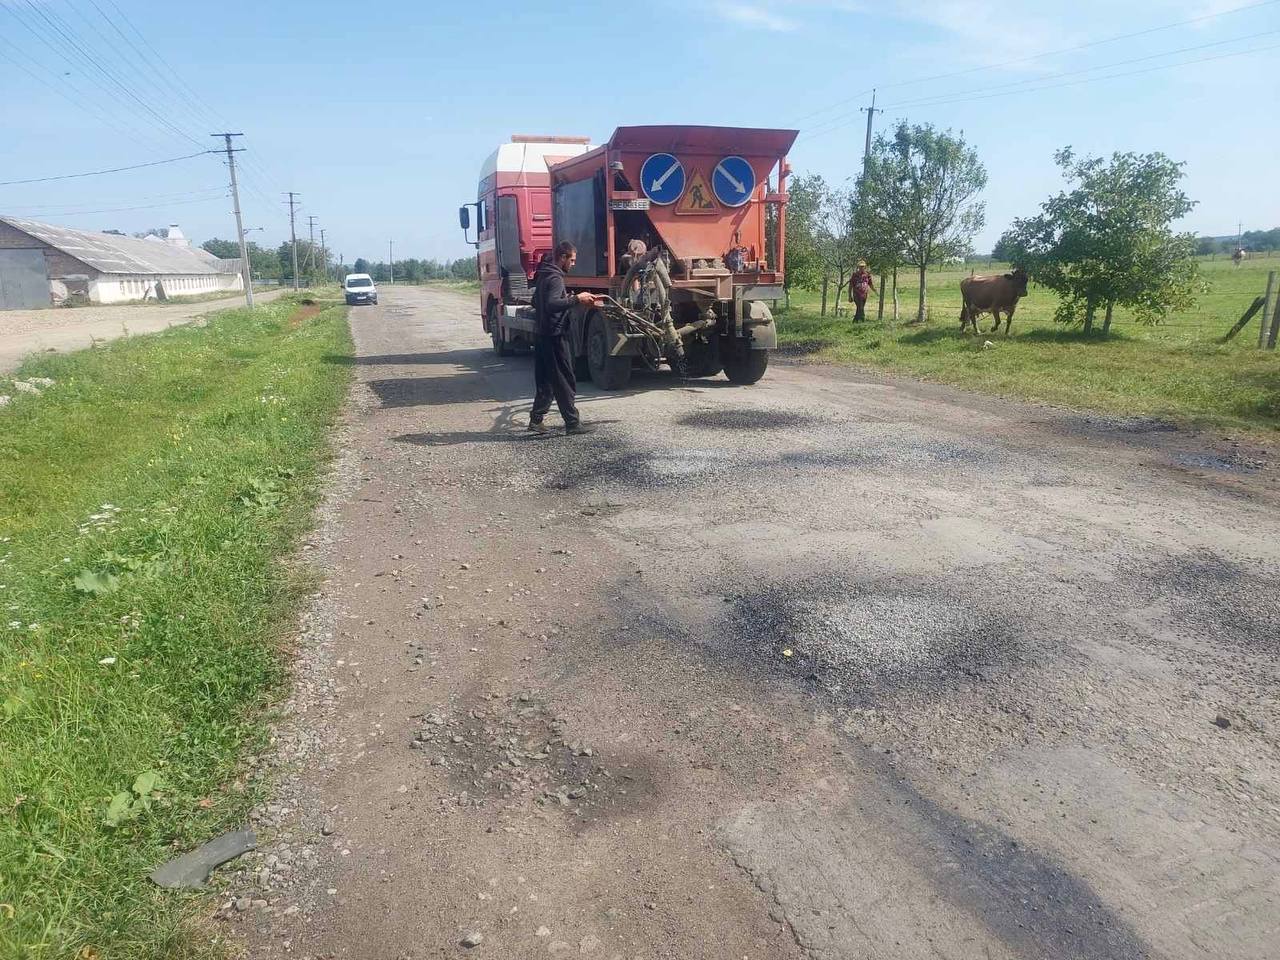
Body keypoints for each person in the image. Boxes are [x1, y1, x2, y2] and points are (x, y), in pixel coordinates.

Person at [529, 241, 596, 435]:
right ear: (562, 257)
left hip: (542, 334)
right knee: (564, 379)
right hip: (555, 336)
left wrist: (565, 300)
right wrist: (576, 299)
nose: (573, 264)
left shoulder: (544, 274)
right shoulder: (556, 277)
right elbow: (551, 304)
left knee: (546, 380)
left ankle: (536, 420)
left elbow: (535, 301)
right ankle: (572, 424)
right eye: (572, 260)